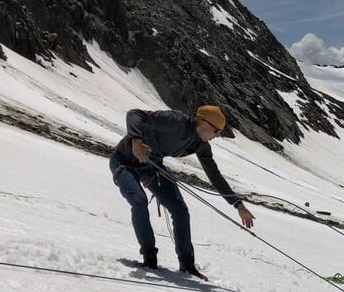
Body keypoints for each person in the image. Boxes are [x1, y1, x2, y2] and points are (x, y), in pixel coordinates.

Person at [109, 105, 254, 280]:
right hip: (124, 161)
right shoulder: (176, 120)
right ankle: (149, 256)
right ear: (204, 123)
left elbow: (214, 176)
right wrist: (136, 141)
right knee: (139, 201)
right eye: (216, 131)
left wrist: (238, 204)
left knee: (180, 211)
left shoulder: (201, 145)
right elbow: (134, 114)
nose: (216, 136)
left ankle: (187, 265)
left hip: (151, 166)